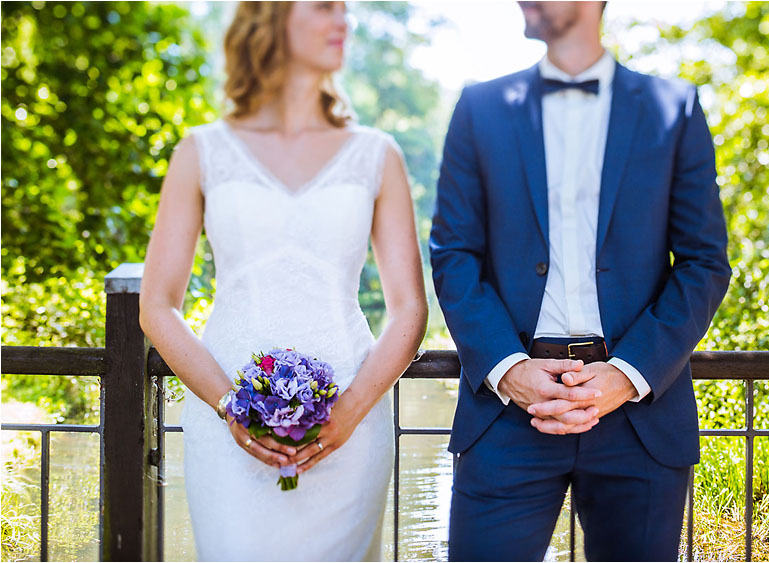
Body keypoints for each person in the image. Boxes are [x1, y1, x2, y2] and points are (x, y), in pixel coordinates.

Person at [430, 2, 731, 561]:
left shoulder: (673, 108)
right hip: (507, 415)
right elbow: (454, 255)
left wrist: (626, 375)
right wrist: (508, 369)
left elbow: (704, 261)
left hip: (639, 419)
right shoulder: (481, 108)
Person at [138, 2, 427, 560]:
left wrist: (348, 413)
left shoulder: (377, 155)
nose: (342, 22)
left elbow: (410, 310)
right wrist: (229, 406)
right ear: (271, 19)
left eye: (345, 11)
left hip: (351, 427)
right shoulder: (201, 152)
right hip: (226, 431)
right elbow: (157, 305)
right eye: (324, 7)